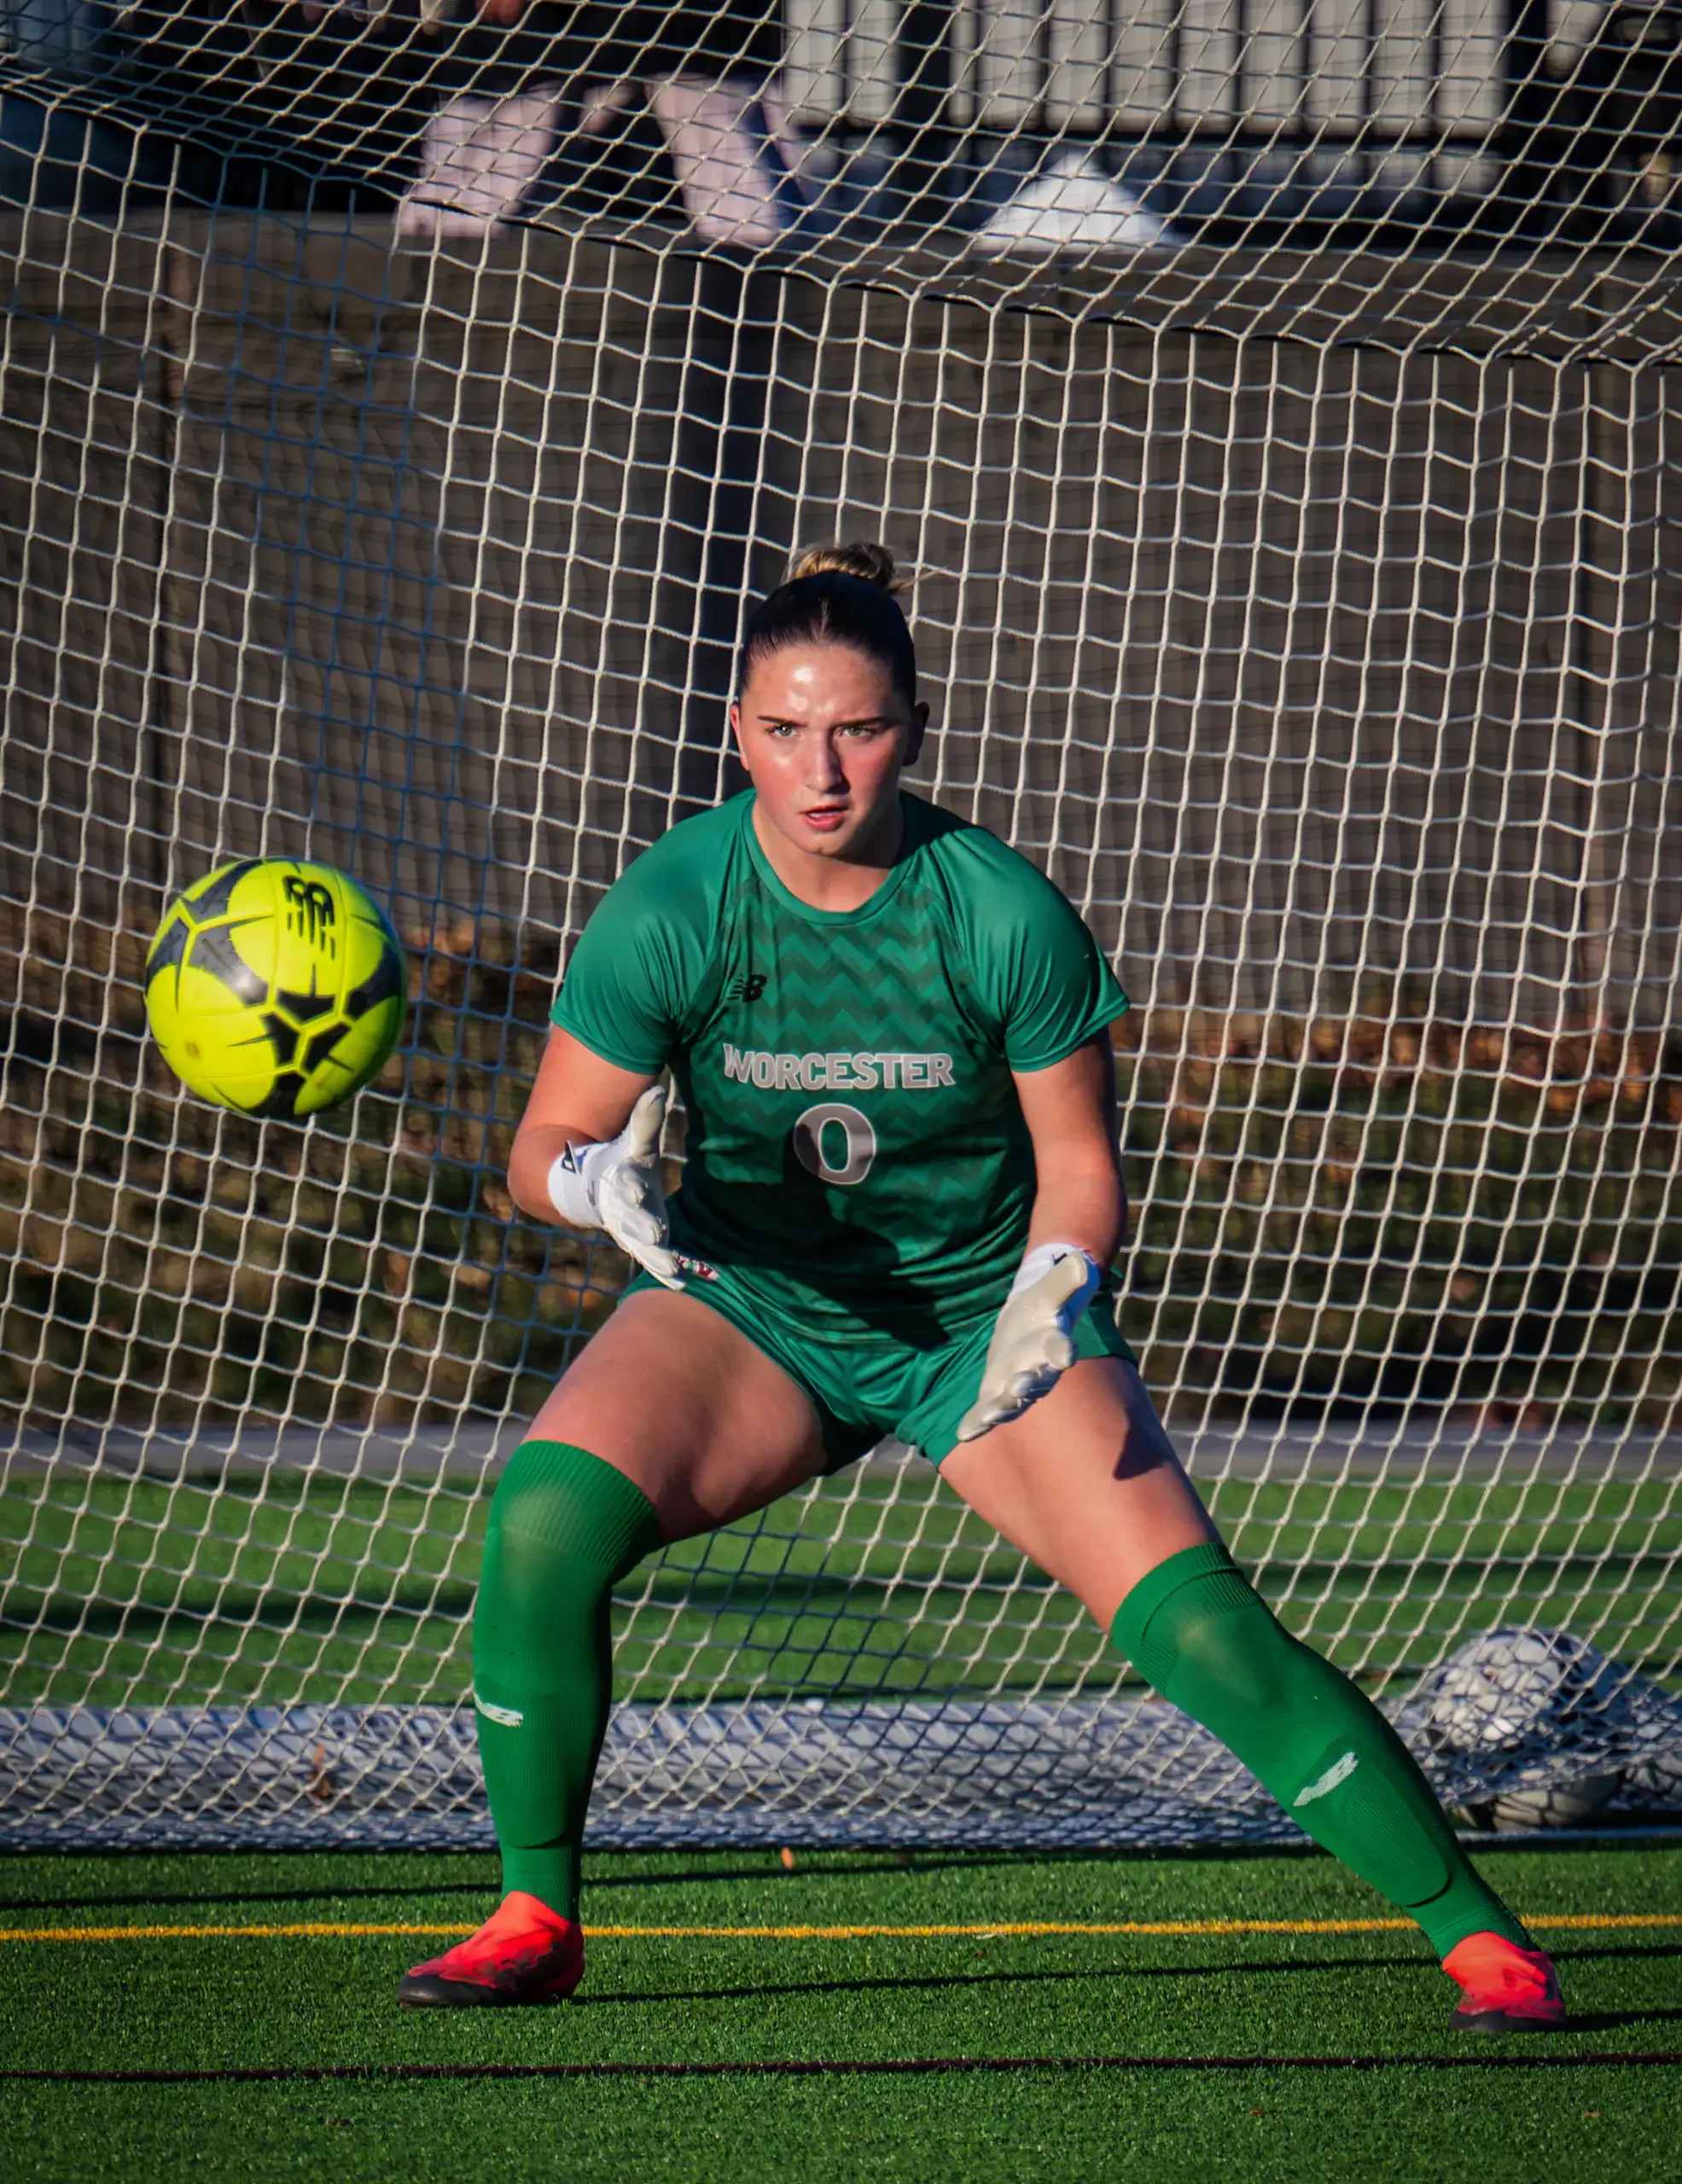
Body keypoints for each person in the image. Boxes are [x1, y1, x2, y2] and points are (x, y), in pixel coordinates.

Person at [398, 543, 1566, 2035]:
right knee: (544, 1520)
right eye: (783, 729)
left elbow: (1079, 1163)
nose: (820, 769)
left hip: (978, 1326)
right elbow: (537, 1148)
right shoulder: (673, 904)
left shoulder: (998, 910)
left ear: (916, 726)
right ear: (734, 730)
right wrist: (587, 1184)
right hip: (754, 1306)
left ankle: (1480, 1940)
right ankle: (532, 1914)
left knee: (1200, 1628)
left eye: (860, 728)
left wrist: (1053, 1289)